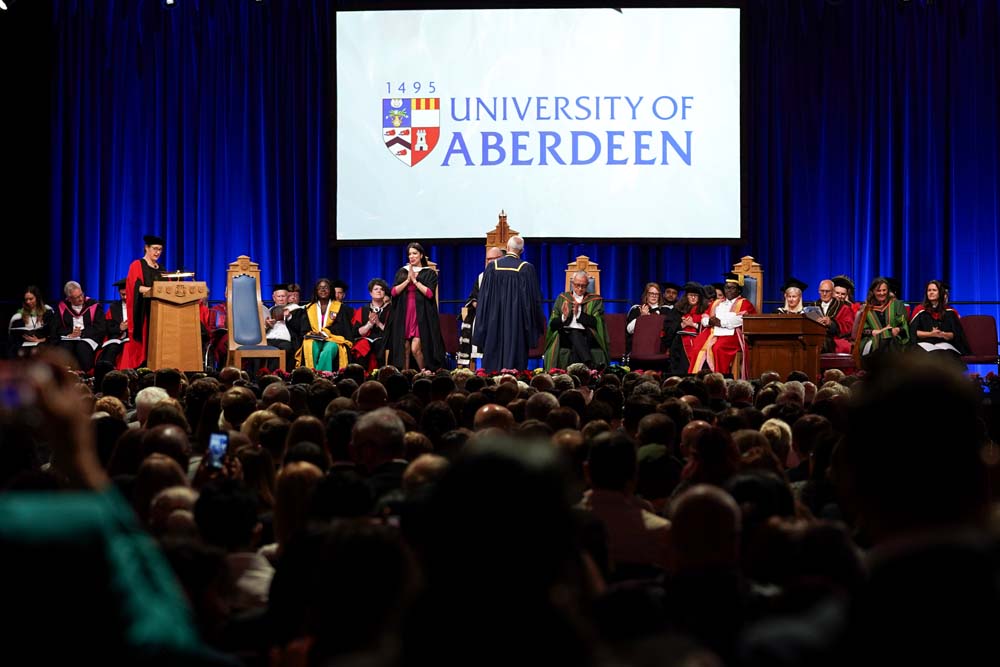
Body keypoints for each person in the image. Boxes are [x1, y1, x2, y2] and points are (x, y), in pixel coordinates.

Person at [473, 236, 546, 371]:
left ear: (507, 248)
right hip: (516, 325)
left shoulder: (492, 267)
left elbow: (483, 299)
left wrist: (482, 326)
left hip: (493, 323)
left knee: (492, 367)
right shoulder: (526, 269)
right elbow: (532, 302)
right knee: (514, 366)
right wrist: (535, 326)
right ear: (522, 251)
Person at [387, 242, 445, 371]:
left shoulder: (429, 273)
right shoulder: (402, 272)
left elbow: (429, 294)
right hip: (405, 314)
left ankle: (425, 372)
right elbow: (394, 292)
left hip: (421, 315)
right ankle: (406, 375)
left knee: (415, 348)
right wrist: (408, 280)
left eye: (414, 253)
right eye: (409, 254)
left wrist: (414, 281)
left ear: (421, 255)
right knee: (405, 348)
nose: (411, 256)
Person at [688, 272, 757, 378]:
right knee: (697, 346)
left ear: (739, 290)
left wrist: (721, 322)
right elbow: (704, 317)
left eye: (732, 288)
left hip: (732, 333)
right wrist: (709, 322)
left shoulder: (744, 303)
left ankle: (720, 378)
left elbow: (741, 319)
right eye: (726, 288)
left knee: (718, 348)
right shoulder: (717, 302)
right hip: (713, 331)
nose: (728, 290)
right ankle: (697, 378)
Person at [543, 269, 609, 371]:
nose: (580, 288)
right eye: (577, 285)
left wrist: (578, 314)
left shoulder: (595, 300)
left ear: (587, 285)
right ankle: (589, 364)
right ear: (572, 284)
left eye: (583, 286)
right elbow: (553, 324)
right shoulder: (562, 298)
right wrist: (564, 317)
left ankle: (574, 375)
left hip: (587, 334)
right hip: (565, 334)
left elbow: (596, 322)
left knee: (575, 339)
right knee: (574, 333)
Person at [118, 234, 165, 369]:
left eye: (160, 250)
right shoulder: (137, 265)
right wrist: (153, 290)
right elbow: (135, 287)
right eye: (155, 249)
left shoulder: (161, 269)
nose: (157, 252)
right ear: (146, 248)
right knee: (145, 341)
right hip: (144, 311)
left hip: (160, 311)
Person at [457, 246, 505, 369]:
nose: (489, 262)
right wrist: (478, 304)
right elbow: (473, 297)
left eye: (493, 259)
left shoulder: (507, 276)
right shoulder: (481, 277)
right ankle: (481, 370)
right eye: (487, 259)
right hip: (484, 315)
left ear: (501, 259)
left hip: (502, 316)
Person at [295, 278, 354, 371]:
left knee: (328, 350)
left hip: (333, 339)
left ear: (331, 290)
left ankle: (322, 375)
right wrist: (311, 333)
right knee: (309, 346)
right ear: (316, 291)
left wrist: (325, 333)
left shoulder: (340, 308)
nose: (323, 290)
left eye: (326, 287)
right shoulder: (309, 308)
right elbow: (304, 327)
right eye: (320, 288)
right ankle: (311, 374)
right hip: (314, 338)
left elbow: (342, 327)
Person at [854, 276, 911, 368]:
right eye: (878, 291)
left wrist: (898, 329)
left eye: (884, 290)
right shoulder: (866, 308)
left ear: (888, 291)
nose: (882, 293)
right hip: (873, 339)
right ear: (873, 291)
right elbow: (862, 329)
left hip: (894, 339)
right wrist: (873, 331)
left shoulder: (897, 305)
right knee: (885, 341)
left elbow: (903, 324)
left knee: (889, 341)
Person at [910, 279, 968, 360]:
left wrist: (942, 334)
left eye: (934, 290)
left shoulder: (949, 312)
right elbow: (914, 332)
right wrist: (931, 334)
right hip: (924, 344)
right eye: (929, 290)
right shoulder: (920, 310)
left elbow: (955, 334)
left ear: (940, 293)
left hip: (945, 345)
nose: (931, 292)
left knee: (948, 355)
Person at [54, 280, 105, 372]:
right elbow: (57, 328)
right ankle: (66, 375)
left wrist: (81, 333)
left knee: (82, 347)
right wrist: (71, 333)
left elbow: (100, 327)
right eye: (77, 297)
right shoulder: (62, 307)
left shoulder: (94, 305)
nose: (81, 299)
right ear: (69, 299)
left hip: (89, 337)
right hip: (69, 338)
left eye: (81, 295)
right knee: (65, 347)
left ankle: (86, 374)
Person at [351, 278, 392, 370]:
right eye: (376, 289)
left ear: (384, 293)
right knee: (361, 345)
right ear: (370, 293)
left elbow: (392, 332)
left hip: (383, 340)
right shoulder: (362, 310)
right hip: (366, 339)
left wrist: (378, 323)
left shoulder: (391, 310)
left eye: (382, 289)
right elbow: (356, 332)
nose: (379, 291)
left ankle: (381, 373)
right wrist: (370, 324)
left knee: (380, 345)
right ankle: (362, 374)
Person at [8, 285, 55, 357]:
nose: (28, 302)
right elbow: (14, 336)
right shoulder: (19, 316)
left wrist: (40, 340)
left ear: (37, 298)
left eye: (31, 299)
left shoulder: (47, 312)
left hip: (43, 342)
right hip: (25, 343)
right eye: (26, 299)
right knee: (21, 352)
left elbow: (53, 333)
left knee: (35, 352)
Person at [625, 282, 666, 360]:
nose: (654, 296)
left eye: (656, 294)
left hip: (658, 347)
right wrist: (642, 317)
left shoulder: (665, 310)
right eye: (651, 293)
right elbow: (629, 330)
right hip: (640, 347)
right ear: (646, 294)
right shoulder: (637, 309)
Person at [814, 278, 855, 353]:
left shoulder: (844, 308)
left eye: (827, 291)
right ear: (819, 291)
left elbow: (849, 326)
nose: (824, 294)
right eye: (822, 291)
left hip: (834, 339)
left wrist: (831, 324)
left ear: (832, 292)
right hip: (814, 337)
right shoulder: (812, 306)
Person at [264, 284, 299, 369]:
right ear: (274, 297)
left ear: (288, 297)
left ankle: (275, 374)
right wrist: (267, 325)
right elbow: (260, 330)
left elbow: (299, 327)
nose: (281, 299)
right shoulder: (268, 310)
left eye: (283, 296)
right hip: (269, 338)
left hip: (285, 340)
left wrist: (289, 317)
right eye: (278, 296)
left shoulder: (296, 310)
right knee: (261, 349)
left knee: (284, 349)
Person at [676, 281, 708, 367]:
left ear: (700, 298)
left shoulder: (705, 310)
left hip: (699, 340)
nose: (693, 298)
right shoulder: (678, 310)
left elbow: (708, 329)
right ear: (686, 296)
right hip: (680, 343)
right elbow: (670, 327)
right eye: (691, 295)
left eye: (696, 296)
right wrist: (682, 325)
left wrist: (693, 324)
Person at [99, 278, 129, 367]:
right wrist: (119, 328)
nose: (125, 297)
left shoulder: (137, 306)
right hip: (117, 337)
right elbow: (108, 325)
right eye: (122, 294)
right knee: (111, 349)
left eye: (127, 294)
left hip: (131, 338)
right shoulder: (114, 307)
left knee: (128, 348)